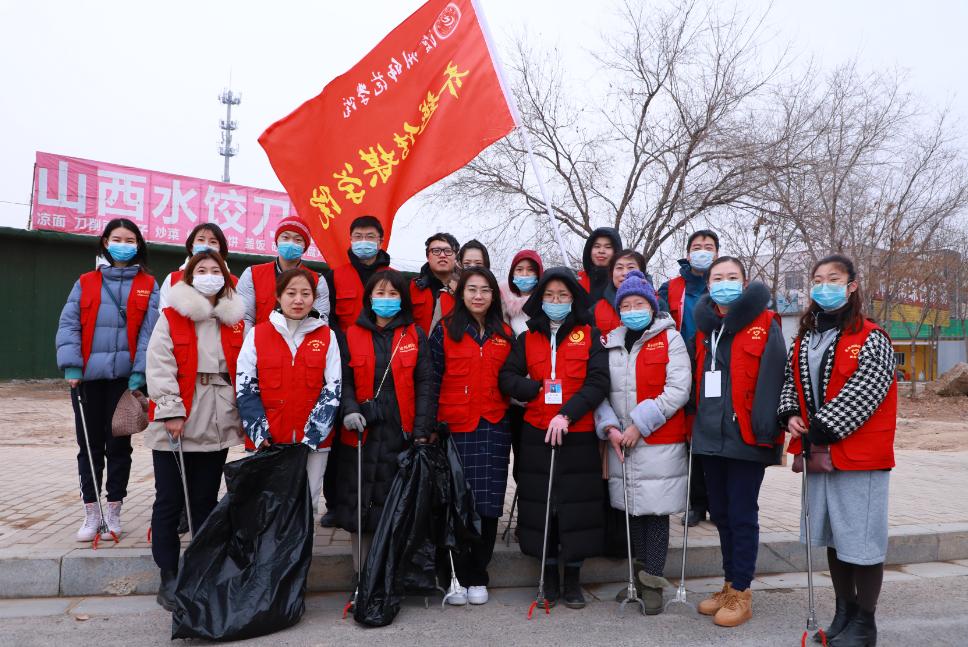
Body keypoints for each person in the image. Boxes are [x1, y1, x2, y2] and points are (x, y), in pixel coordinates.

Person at [778, 254, 897, 647]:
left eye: (833, 278)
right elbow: (791, 381)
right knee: (833, 535)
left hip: (859, 456)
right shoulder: (805, 337)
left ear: (852, 286)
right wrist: (791, 414)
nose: (824, 286)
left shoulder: (872, 336)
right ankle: (844, 613)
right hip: (819, 455)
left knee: (861, 540)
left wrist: (819, 426)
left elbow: (867, 389)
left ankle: (865, 623)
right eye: (817, 279)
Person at [498, 267, 609, 609]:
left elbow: (598, 382)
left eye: (563, 295)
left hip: (578, 433)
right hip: (537, 433)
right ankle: (546, 574)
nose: (556, 301)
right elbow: (507, 377)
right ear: (540, 299)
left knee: (577, 505)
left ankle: (573, 578)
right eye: (549, 295)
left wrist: (567, 414)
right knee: (541, 505)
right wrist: (534, 389)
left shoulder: (589, 335)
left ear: (573, 299)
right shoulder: (527, 338)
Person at [145, 251, 246, 611]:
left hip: (218, 415)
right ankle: (168, 574)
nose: (208, 275)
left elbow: (246, 367)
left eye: (215, 270)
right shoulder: (172, 316)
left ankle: (201, 568)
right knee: (169, 500)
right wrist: (171, 409)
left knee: (204, 499)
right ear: (189, 276)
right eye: (201, 270)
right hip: (179, 414)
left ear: (226, 277)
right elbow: (159, 363)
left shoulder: (236, 320)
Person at [690, 256, 785, 628]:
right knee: (721, 514)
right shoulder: (705, 328)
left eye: (732, 277)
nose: (724, 283)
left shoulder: (765, 323)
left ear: (744, 284)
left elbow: (774, 380)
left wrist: (767, 433)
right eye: (717, 278)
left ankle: (742, 591)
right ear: (708, 284)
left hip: (746, 436)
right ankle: (729, 584)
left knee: (742, 514)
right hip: (709, 436)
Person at [56, 218, 159, 542]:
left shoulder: (148, 284)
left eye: (130, 240)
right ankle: (92, 513)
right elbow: (69, 324)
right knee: (89, 446)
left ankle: (114, 511)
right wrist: (72, 366)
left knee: (118, 447)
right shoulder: (86, 281)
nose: (123, 245)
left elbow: (150, 332)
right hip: (88, 380)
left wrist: (140, 372)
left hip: (125, 381)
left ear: (138, 245)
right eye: (117, 239)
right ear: (105, 242)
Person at [594, 270, 690, 614]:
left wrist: (639, 424)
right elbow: (599, 389)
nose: (633, 310)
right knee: (632, 513)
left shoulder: (671, 339)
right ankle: (636, 580)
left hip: (657, 441)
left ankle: (653, 586)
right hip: (622, 443)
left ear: (652, 306)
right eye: (627, 305)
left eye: (639, 304)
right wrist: (610, 427)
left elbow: (678, 389)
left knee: (655, 515)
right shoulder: (610, 343)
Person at [332, 269, 433, 577]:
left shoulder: (415, 335)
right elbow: (344, 380)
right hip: (362, 429)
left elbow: (426, 384)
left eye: (393, 294)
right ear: (369, 298)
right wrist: (349, 410)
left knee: (395, 503)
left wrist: (421, 430)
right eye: (380, 293)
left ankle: (390, 575)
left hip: (400, 430)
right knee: (360, 501)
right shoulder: (351, 334)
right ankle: (362, 574)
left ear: (402, 299)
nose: (386, 299)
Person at [430, 267, 514, 606]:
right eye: (472, 289)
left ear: (494, 295)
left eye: (485, 290)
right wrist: (429, 427)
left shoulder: (505, 334)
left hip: (494, 427)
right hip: (454, 429)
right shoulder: (444, 330)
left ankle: (478, 574)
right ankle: (453, 575)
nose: (478, 296)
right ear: (461, 293)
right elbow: (432, 379)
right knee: (455, 504)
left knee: (489, 504)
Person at [235, 268, 342, 513]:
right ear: (278, 295)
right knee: (266, 505)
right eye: (291, 293)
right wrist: (259, 433)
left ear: (314, 298)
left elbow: (333, 388)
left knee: (307, 503)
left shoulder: (327, 336)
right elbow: (245, 385)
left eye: (305, 293)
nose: (298, 300)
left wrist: (313, 435)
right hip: (267, 440)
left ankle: (304, 540)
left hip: (312, 442)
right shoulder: (257, 334)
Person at [659, 229, 720, 526]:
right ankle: (696, 502)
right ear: (687, 252)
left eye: (708, 247)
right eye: (697, 247)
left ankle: (718, 502)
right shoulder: (670, 288)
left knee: (717, 433)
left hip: (718, 367)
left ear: (717, 253)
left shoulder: (726, 284)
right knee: (691, 436)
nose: (702, 251)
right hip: (684, 367)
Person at [236, 215, 330, 329]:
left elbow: (320, 321)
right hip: (259, 339)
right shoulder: (252, 274)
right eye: (285, 237)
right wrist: (254, 339)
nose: (291, 243)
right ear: (277, 240)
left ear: (305, 246)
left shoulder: (317, 280)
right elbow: (244, 318)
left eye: (298, 240)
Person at [500, 249, 544, 485]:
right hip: (515, 393)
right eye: (519, 270)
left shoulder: (547, 303)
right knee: (520, 456)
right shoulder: (504, 304)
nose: (525, 275)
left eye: (530, 270)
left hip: (544, 388)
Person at [326, 215, 392, 332]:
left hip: (383, 341)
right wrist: (341, 341)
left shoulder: (394, 278)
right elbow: (327, 316)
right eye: (358, 236)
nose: (363, 241)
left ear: (380, 242)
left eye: (370, 237)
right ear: (351, 240)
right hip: (343, 341)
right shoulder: (334, 276)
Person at [158, 223, 237, 311]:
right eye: (201, 240)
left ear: (220, 249)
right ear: (191, 247)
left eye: (213, 242)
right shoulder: (173, 278)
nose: (206, 245)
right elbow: (163, 311)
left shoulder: (233, 282)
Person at [591, 249, 662, 337]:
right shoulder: (598, 308)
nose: (625, 273)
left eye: (631, 267)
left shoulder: (658, 302)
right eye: (619, 268)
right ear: (612, 273)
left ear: (642, 272)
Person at [410, 232, 460, 334]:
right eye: (436, 251)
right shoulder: (412, 287)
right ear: (428, 257)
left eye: (448, 251)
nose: (442, 255)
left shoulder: (466, 290)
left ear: (456, 257)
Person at [576, 227, 622, 304]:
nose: (601, 251)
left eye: (608, 247)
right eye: (597, 246)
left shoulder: (624, 281)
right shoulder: (577, 280)